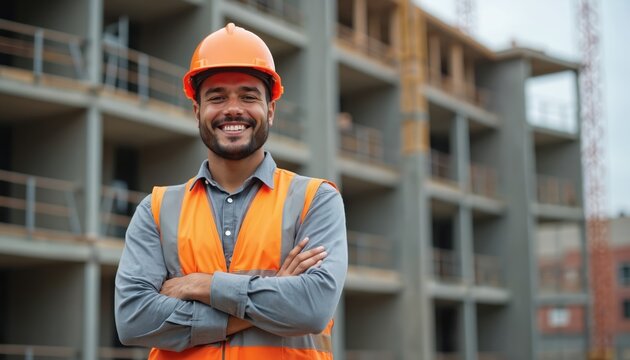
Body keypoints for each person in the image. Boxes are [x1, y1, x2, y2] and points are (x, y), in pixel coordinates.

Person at [114, 23, 348, 360]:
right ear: (198, 112)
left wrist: (201, 286)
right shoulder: (157, 209)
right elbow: (133, 321)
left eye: (249, 96)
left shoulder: (316, 200)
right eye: (217, 97)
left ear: (270, 109)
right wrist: (273, 296)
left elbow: (312, 309)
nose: (233, 109)